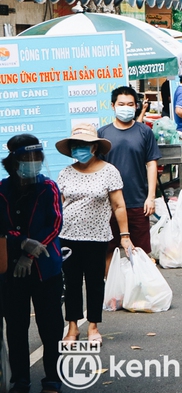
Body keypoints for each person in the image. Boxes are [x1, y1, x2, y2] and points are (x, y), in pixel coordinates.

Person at [0, 134, 64, 393]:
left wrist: (35, 250)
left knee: (50, 326)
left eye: (37, 158)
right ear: (13, 161)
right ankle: (20, 382)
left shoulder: (48, 187)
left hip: (45, 266)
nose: (33, 163)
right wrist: (22, 243)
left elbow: (56, 224)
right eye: (27, 159)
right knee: (16, 328)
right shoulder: (2, 190)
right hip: (12, 270)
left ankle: (52, 380)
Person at [55, 124, 130, 344]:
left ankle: (94, 326)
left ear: (95, 147)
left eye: (85, 145)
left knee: (96, 282)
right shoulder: (65, 173)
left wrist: (124, 235)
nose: (80, 149)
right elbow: (58, 206)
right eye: (76, 145)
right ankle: (72, 328)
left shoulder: (109, 171)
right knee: (71, 283)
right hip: (68, 236)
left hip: (97, 237)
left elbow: (118, 206)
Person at [98, 87, 161, 256]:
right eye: (121, 104)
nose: (126, 107)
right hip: (108, 205)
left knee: (141, 254)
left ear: (136, 106)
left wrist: (151, 197)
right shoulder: (102, 134)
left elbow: (152, 164)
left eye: (130, 104)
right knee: (108, 252)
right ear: (113, 106)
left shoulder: (144, 131)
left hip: (137, 202)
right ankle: (110, 283)